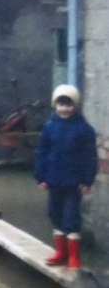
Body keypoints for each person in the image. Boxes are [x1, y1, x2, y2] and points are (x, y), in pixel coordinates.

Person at [35, 84, 99, 268]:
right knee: (54, 213)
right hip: (53, 180)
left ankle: (74, 256)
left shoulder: (84, 129)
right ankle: (60, 252)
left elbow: (90, 157)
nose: (64, 108)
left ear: (75, 106)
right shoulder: (49, 127)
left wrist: (87, 180)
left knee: (71, 216)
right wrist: (41, 177)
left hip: (74, 182)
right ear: (55, 105)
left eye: (69, 104)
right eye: (61, 104)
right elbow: (41, 152)